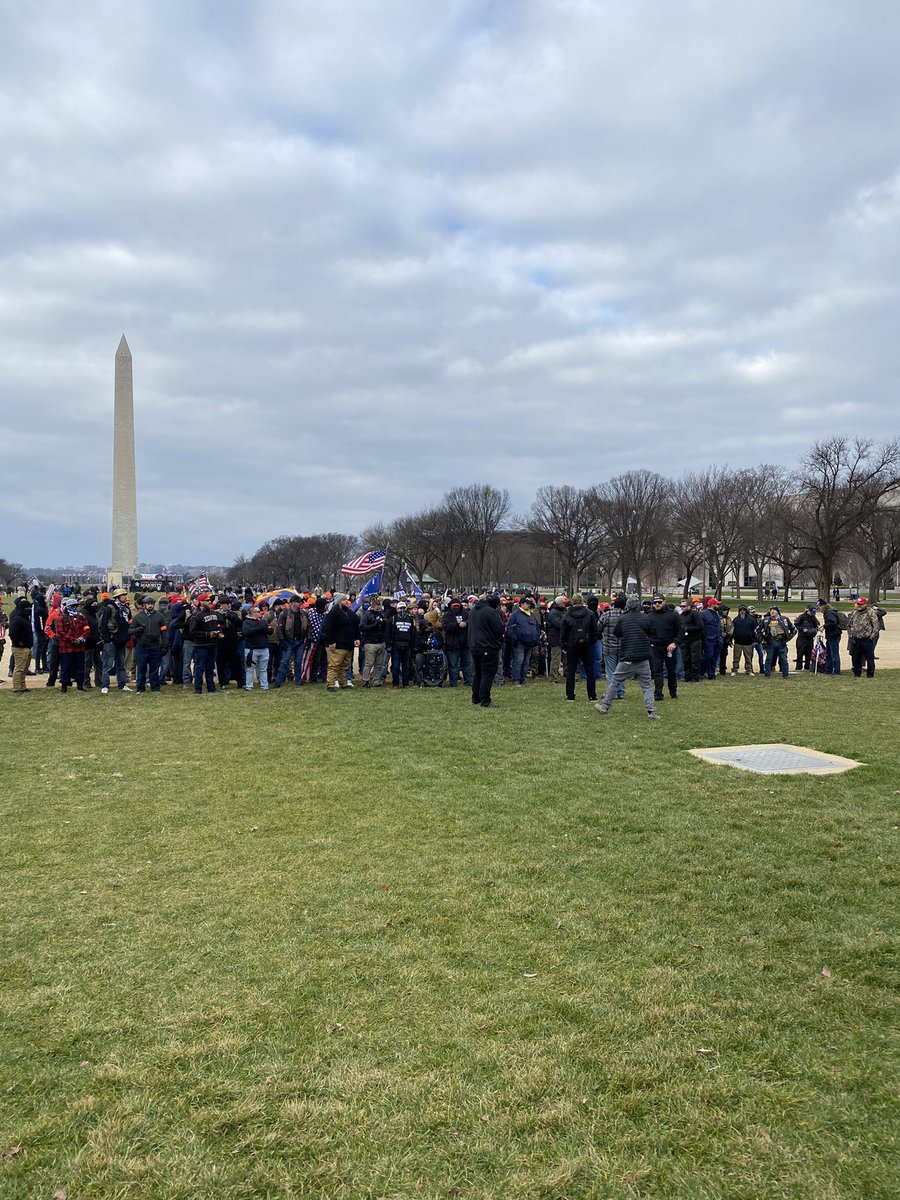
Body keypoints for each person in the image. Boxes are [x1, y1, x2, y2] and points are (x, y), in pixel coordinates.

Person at [594, 594, 658, 719]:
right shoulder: (646, 618)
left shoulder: (623, 619)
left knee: (615, 682)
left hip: (627, 656)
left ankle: (605, 706)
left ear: (628, 606)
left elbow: (617, 633)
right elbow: (652, 632)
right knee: (646, 685)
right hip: (643, 656)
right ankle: (651, 711)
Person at [559, 593, 598, 702]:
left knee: (571, 671)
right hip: (586, 644)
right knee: (590, 671)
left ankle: (570, 695)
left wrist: (564, 645)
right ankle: (592, 696)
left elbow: (563, 632)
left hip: (572, 645)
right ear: (582, 601)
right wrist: (591, 642)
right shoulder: (590, 614)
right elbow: (595, 631)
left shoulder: (567, 615)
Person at [468, 592, 504, 708]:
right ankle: (485, 700)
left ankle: (476, 697)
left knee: (477, 674)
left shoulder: (473, 610)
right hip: (488, 646)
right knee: (487, 674)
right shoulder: (491, 612)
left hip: (475, 646)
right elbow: (499, 628)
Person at [128, 595, 167, 693]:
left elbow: (164, 631)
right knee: (141, 668)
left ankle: (155, 688)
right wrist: (137, 630)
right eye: (148, 604)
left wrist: (165, 644)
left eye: (152, 604)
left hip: (155, 646)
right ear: (144, 605)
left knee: (154, 669)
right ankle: (140, 688)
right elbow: (130, 630)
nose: (150, 606)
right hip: (142, 646)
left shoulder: (159, 616)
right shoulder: (138, 617)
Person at [321, 593, 360, 690]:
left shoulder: (351, 614)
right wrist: (331, 642)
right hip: (337, 645)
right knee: (334, 665)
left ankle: (343, 683)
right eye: (343, 600)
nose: (346, 602)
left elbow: (355, 626)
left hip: (348, 645)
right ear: (338, 602)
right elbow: (328, 629)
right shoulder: (333, 613)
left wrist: (357, 637)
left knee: (344, 666)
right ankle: (330, 684)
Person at [647, 595, 681, 701]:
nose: (657, 604)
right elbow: (646, 631)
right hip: (655, 647)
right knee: (657, 671)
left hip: (670, 647)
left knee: (671, 671)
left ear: (664, 602)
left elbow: (680, 630)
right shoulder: (649, 616)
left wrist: (674, 643)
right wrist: (650, 641)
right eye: (655, 602)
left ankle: (673, 692)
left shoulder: (673, 615)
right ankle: (658, 693)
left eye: (659, 602)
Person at [99, 589, 132, 693]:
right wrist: (107, 638)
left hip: (122, 641)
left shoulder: (127, 609)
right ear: (117, 597)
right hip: (111, 641)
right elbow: (104, 624)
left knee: (121, 665)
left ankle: (122, 685)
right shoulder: (110, 608)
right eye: (122, 595)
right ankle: (105, 685)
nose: (125, 597)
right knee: (107, 665)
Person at [187, 594, 222, 694]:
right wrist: (207, 634)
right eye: (206, 600)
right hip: (201, 646)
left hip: (213, 644)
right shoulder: (196, 615)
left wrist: (219, 632)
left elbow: (218, 625)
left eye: (209, 600)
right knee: (200, 667)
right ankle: (198, 689)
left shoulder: (214, 614)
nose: (209, 602)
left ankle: (211, 688)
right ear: (201, 602)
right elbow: (192, 632)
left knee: (210, 668)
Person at [505, 597, 541, 686]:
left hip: (530, 643)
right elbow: (509, 628)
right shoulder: (515, 615)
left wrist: (536, 638)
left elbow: (537, 628)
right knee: (518, 661)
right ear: (521, 604)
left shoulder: (531, 615)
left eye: (529, 603)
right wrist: (514, 639)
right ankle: (516, 679)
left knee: (526, 662)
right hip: (519, 643)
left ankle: (522, 678)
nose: (528, 605)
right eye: (526, 603)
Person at [275, 596, 309, 687]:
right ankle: (278, 682)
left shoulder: (304, 614)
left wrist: (308, 639)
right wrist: (281, 640)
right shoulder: (284, 613)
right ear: (292, 603)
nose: (300, 604)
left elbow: (308, 628)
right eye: (298, 602)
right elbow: (279, 628)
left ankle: (297, 681)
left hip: (300, 641)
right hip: (288, 641)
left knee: (298, 662)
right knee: (284, 662)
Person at [757, 606, 795, 679]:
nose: (772, 611)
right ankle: (767, 674)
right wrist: (762, 639)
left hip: (781, 642)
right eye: (771, 610)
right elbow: (757, 630)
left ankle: (785, 675)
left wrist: (788, 638)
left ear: (777, 612)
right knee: (769, 659)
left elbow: (794, 629)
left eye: (774, 610)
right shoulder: (766, 620)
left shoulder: (784, 619)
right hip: (771, 642)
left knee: (783, 659)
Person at [386, 599, 415, 688]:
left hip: (407, 645)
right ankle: (395, 684)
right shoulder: (393, 619)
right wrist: (388, 645)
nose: (402, 610)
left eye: (403, 608)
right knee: (395, 666)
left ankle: (405, 684)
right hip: (396, 645)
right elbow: (387, 633)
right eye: (400, 608)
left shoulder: (410, 620)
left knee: (406, 666)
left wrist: (412, 646)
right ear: (397, 609)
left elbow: (413, 633)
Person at [847, 596, 879, 678]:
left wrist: (871, 637)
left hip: (867, 639)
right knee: (856, 658)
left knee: (869, 658)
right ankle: (857, 674)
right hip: (856, 639)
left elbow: (876, 626)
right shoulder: (854, 612)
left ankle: (870, 674)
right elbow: (849, 625)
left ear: (865, 604)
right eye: (858, 604)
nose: (859, 605)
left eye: (861, 604)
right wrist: (851, 635)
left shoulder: (870, 612)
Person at [359, 595, 387, 687]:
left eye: (379, 609)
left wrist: (384, 623)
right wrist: (374, 625)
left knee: (379, 664)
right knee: (369, 663)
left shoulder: (382, 614)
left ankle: (376, 680)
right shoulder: (367, 615)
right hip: (370, 642)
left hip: (381, 641)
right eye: (377, 608)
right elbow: (362, 627)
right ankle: (366, 680)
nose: (378, 610)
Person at [242, 605, 270, 690]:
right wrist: (260, 628)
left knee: (263, 669)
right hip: (252, 649)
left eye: (259, 611)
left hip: (264, 648)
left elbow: (267, 631)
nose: (259, 613)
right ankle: (249, 686)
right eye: (256, 612)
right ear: (251, 613)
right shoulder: (246, 622)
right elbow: (247, 632)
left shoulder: (263, 621)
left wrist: (269, 630)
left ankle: (264, 685)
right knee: (250, 669)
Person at [9, 597, 34, 692]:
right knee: (19, 668)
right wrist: (19, 642)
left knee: (24, 668)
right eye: (28, 608)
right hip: (19, 648)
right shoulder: (17, 619)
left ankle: (22, 686)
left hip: (27, 646)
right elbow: (12, 633)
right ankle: (16, 687)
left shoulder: (25, 618)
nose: (29, 610)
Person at [679, 599, 704, 682]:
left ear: (689, 606)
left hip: (695, 640)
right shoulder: (681, 615)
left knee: (695, 659)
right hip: (685, 640)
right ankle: (687, 676)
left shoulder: (694, 614)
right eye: (681, 606)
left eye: (684, 606)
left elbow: (700, 626)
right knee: (685, 658)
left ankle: (695, 676)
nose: (682, 608)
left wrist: (688, 629)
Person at [816, 598, 843, 675]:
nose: (819, 609)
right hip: (830, 635)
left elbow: (833, 623)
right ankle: (828, 669)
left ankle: (836, 670)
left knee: (834, 653)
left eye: (819, 607)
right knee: (829, 653)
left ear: (823, 606)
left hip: (834, 635)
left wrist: (824, 626)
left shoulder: (829, 613)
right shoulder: (828, 613)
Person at [545, 595, 567, 681]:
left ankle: (566, 674)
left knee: (565, 659)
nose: (564, 604)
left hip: (561, 639)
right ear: (558, 604)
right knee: (556, 659)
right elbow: (559, 625)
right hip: (555, 639)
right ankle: (553, 677)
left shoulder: (561, 611)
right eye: (563, 603)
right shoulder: (553, 613)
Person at [699, 598, 723, 680]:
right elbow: (701, 627)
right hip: (708, 639)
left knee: (714, 657)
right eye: (717, 604)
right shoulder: (703, 614)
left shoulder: (717, 614)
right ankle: (701, 672)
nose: (718, 606)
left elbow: (719, 626)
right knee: (708, 656)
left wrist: (720, 637)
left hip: (717, 639)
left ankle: (711, 674)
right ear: (712, 605)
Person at [730, 605, 757, 675]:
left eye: (744, 610)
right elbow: (732, 631)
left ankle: (748, 670)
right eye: (740, 610)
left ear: (746, 611)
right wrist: (730, 639)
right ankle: (735, 670)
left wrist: (754, 641)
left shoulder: (751, 620)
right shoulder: (735, 620)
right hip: (738, 642)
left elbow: (755, 631)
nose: (742, 611)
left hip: (748, 642)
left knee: (748, 658)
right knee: (736, 658)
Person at [794, 604, 819, 672]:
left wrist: (814, 630)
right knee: (800, 653)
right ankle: (799, 667)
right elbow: (796, 624)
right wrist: (802, 629)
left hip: (810, 639)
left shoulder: (813, 617)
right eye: (811, 612)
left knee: (809, 653)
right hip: (801, 638)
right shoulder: (802, 617)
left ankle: (807, 667)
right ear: (808, 611)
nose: (812, 614)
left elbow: (817, 625)